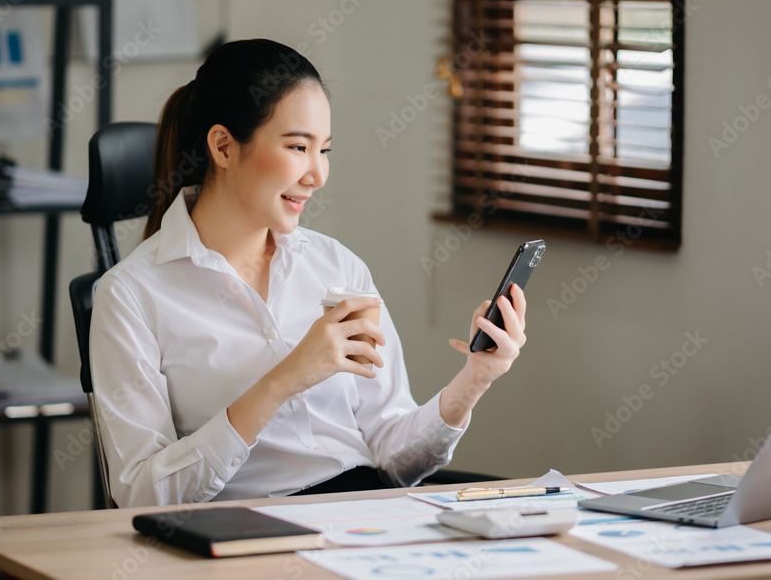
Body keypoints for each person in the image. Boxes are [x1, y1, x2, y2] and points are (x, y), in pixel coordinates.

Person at [90, 39, 527, 507]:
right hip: (252, 535)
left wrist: (475, 378)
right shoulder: (130, 295)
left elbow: (394, 459)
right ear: (223, 146)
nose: (317, 174)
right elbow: (142, 496)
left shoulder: (336, 265)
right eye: (299, 147)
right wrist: (285, 379)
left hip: (368, 519)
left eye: (325, 150)